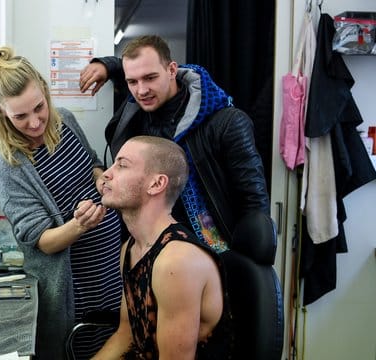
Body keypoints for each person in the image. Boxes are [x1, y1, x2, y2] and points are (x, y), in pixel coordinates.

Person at [0, 44, 122, 359]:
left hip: (111, 270)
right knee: (86, 349)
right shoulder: (10, 165)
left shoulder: (66, 121)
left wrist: (100, 176)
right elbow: (42, 242)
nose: (34, 122)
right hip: (76, 288)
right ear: (2, 114)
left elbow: (91, 163)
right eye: (20, 116)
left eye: (39, 107)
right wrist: (79, 224)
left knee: (120, 341)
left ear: (45, 92)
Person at [79, 35, 269, 253]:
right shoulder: (134, 117)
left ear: (171, 70)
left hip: (211, 249)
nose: (141, 90)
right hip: (146, 245)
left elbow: (253, 200)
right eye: (132, 82)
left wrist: (249, 264)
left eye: (150, 78)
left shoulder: (226, 122)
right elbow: (134, 69)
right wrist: (107, 65)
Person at [94, 136, 231, 359]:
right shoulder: (131, 247)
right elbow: (126, 336)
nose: (106, 174)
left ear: (156, 184)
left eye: (122, 165)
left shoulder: (176, 262)